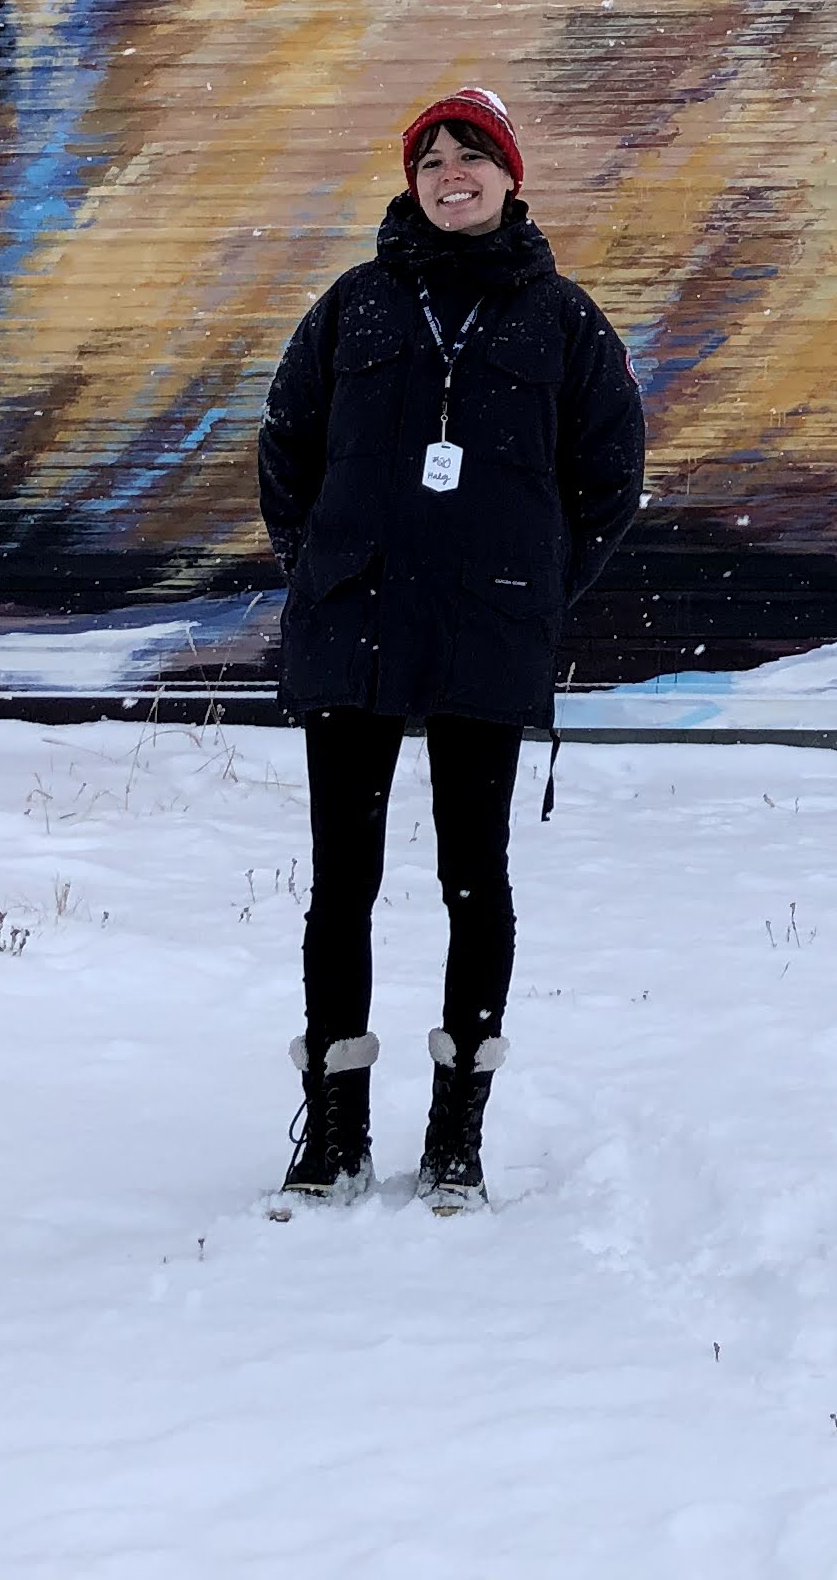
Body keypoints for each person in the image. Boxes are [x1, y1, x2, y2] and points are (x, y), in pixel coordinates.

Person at [255, 86, 646, 1211]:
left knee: (476, 880)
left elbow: (610, 476)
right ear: (412, 183)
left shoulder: (562, 320)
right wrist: (321, 567)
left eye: (471, 156)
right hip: (357, 625)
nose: (450, 175)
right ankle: (333, 1135)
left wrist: (534, 587)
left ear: (511, 178)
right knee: (343, 882)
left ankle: (455, 1139)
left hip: (486, 631)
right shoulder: (354, 305)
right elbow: (286, 448)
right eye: (431, 160)